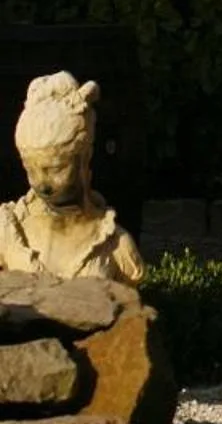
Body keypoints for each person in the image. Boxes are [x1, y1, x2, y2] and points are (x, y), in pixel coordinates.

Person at [1, 73, 144, 284]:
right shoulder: (9, 230)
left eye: (56, 169)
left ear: (85, 157)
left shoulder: (115, 245)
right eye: (31, 170)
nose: (42, 184)